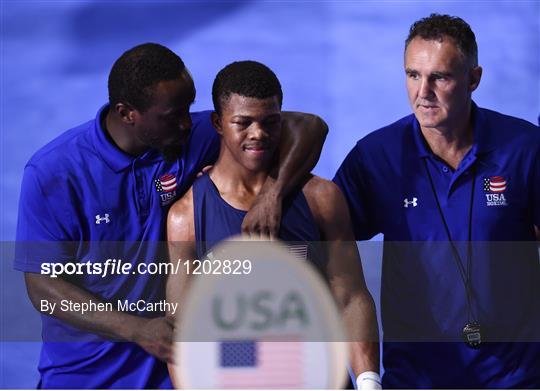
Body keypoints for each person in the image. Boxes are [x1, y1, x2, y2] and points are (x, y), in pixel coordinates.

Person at [14, 43, 329, 389]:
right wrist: (137, 329)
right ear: (127, 113)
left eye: (188, 108)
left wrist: (273, 193)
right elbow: (42, 288)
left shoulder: (187, 138)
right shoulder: (54, 173)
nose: (185, 124)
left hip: (169, 371)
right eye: (173, 115)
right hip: (82, 377)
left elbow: (307, 126)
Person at [334, 14, 540, 388]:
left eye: (439, 77)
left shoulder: (525, 149)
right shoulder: (378, 156)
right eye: (413, 75)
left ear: (474, 79)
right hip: (415, 380)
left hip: (516, 378)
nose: (422, 92)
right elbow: (324, 245)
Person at [166, 60, 380, 389]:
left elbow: (350, 297)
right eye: (244, 123)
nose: (259, 134)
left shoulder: (321, 198)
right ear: (218, 124)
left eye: (270, 122)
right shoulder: (187, 217)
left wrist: (368, 381)